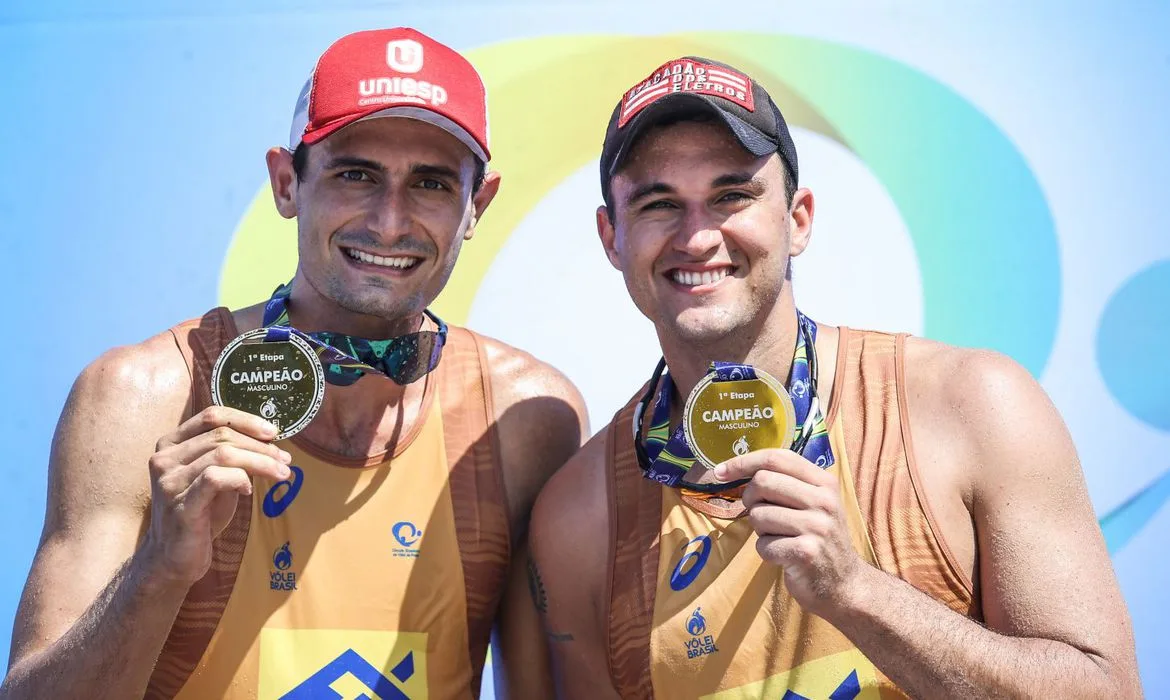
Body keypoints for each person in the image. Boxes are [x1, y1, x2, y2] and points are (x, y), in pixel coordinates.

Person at [527, 55, 1140, 698]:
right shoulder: (579, 514)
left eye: (731, 195)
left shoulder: (971, 405)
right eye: (658, 204)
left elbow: (1109, 690)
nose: (698, 236)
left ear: (798, 220)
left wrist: (856, 592)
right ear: (610, 238)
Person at [2, 27, 586, 700]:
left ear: (475, 207)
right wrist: (160, 570)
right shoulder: (144, 394)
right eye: (355, 174)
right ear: (287, 183)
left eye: (429, 183)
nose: (390, 221)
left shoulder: (521, 418)